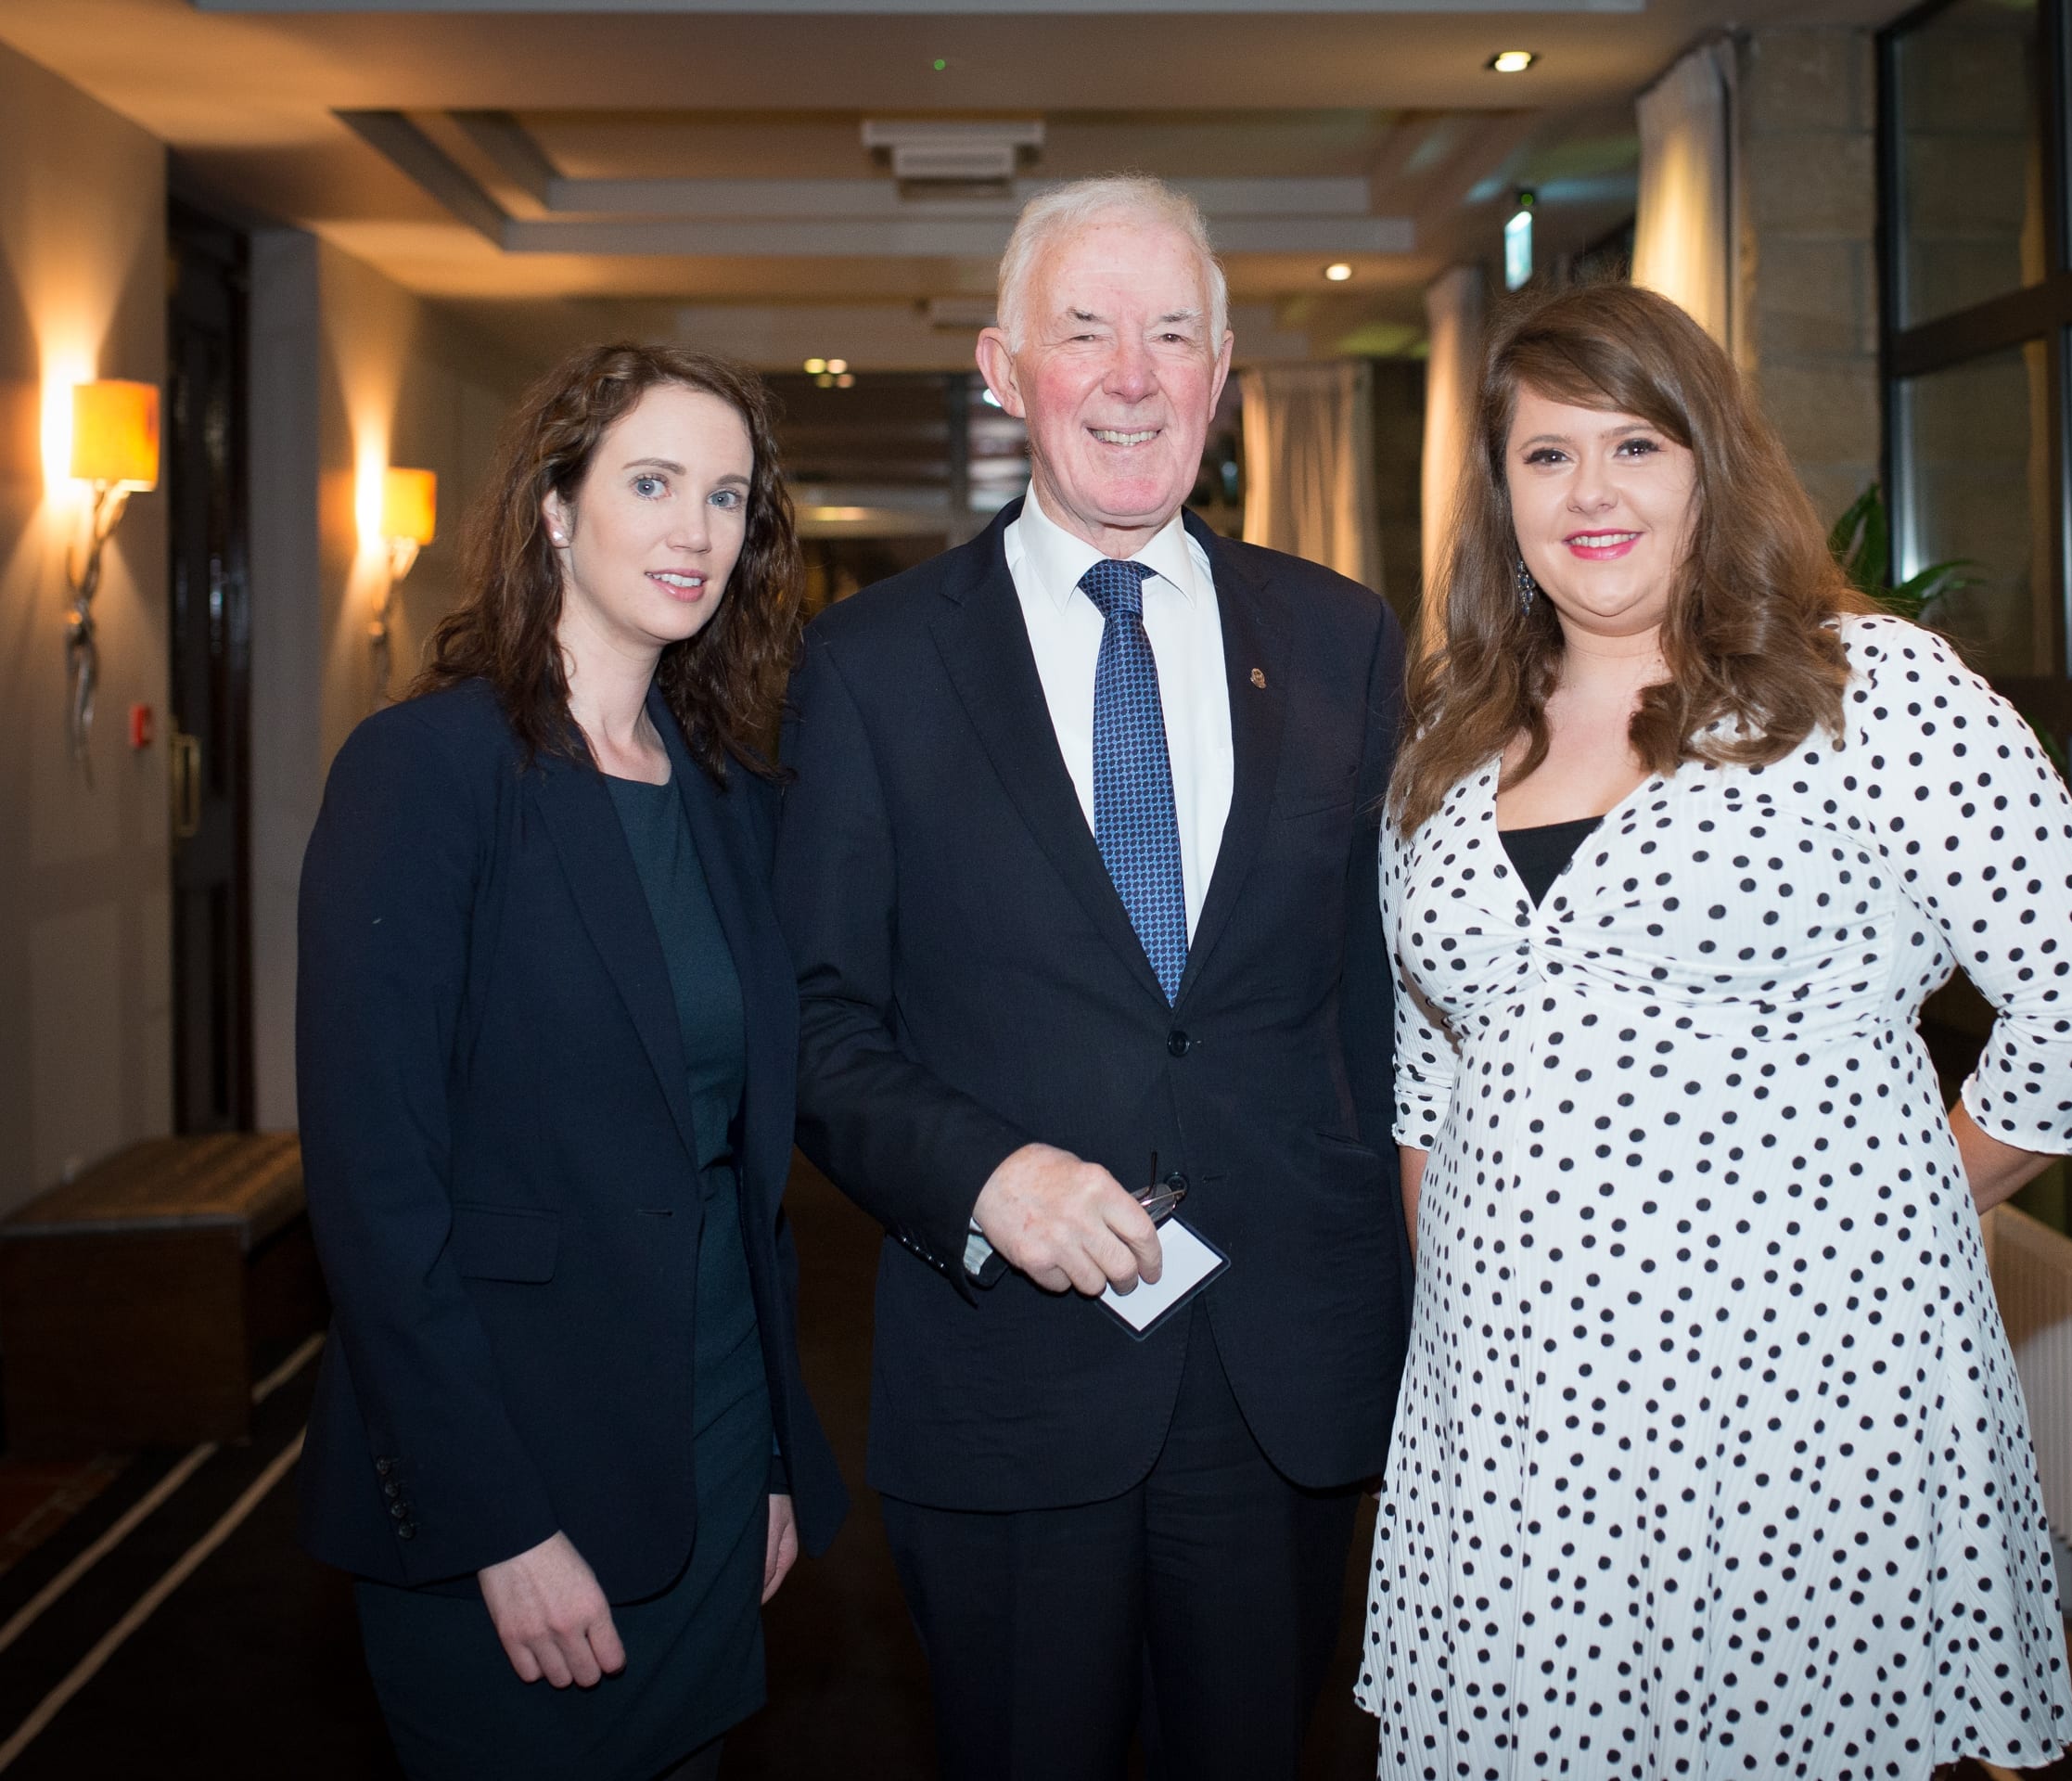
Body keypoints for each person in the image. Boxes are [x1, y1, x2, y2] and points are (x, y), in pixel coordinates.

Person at [1361, 280, 2072, 1779]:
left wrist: (1891, 1206)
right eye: (1547, 456)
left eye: (1636, 446)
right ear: (1502, 493)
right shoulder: (1451, 742)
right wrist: (1467, 1319)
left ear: (1710, 465)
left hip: (1806, 1386)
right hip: (1522, 1408)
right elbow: (1429, 1071)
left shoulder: (1870, 691)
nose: (1591, 492)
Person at [774, 174, 1409, 1779]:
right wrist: (986, 1177)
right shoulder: (872, 665)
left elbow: (1379, 1001)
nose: (1132, 374)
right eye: (1086, 331)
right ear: (1005, 369)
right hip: (1010, 1375)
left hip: (1280, 1372)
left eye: (1172, 333)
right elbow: (814, 1018)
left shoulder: (1341, 639)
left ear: (1220, 373)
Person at [295, 342, 846, 1781]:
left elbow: (733, 1163)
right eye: (652, 483)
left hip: (715, 1451)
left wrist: (777, 1450)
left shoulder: (729, 797)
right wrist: (499, 1526)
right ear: (555, 507)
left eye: (726, 498)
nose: (694, 532)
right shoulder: (424, 773)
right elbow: (374, 1195)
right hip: (512, 1477)